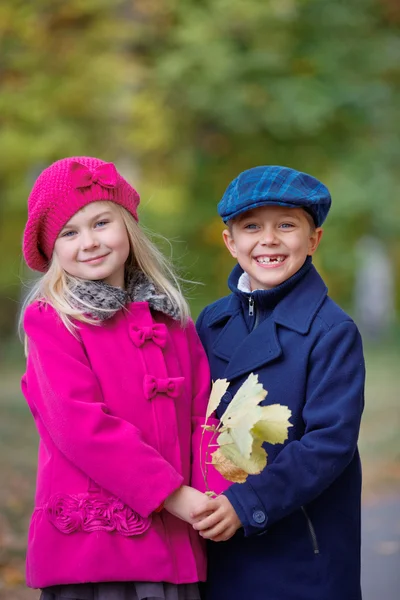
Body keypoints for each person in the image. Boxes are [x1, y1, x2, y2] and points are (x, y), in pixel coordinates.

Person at [20, 156, 215, 600]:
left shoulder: (171, 318)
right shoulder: (52, 321)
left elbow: (204, 414)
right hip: (96, 553)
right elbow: (81, 426)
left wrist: (209, 495)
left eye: (101, 222)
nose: (88, 242)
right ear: (53, 249)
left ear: (127, 225)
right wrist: (172, 494)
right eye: (69, 233)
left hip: (178, 541)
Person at [192, 166, 365, 600]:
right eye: (252, 227)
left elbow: (329, 443)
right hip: (217, 540)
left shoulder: (332, 331)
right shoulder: (212, 323)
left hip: (300, 549)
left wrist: (247, 504)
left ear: (313, 240)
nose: (268, 240)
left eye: (286, 225)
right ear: (231, 242)